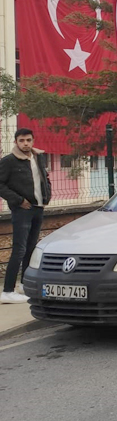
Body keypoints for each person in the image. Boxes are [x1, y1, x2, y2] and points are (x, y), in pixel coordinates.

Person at [0, 128, 52, 304]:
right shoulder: (9, 161)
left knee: (31, 247)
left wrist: (47, 196)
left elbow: (45, 177)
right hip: (22, 209)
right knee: (19, 249)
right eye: (21, 140)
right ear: (16, 142)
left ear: (33, 140)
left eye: (28, 140)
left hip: (38, 207)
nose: (25, 143)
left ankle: (24, 284)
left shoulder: (38, 157)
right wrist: (18, 200)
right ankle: (7, 290)